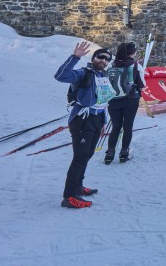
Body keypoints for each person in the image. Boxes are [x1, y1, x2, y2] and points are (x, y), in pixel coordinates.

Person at [54, 41, 114, 209]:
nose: (103, 60)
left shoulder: (103, 76)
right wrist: (75, 57)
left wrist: (103, 122)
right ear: (93, 58)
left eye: (107, 59)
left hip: (96, 119)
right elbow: (60, 76)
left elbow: (102, 101)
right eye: (100, 57)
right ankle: (69, 197)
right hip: (82, 119)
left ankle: (78, 186)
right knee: (80, 157)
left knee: (87, 155)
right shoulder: (83, 73)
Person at [104, 42, 146, 164]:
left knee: (115, 127)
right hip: (131, 100)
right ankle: (123, 153)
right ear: (133, 53)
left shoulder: (111, 64)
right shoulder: (136, 65)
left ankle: (109, 154)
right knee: (128, 127)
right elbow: (142, 85)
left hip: (113, 99)